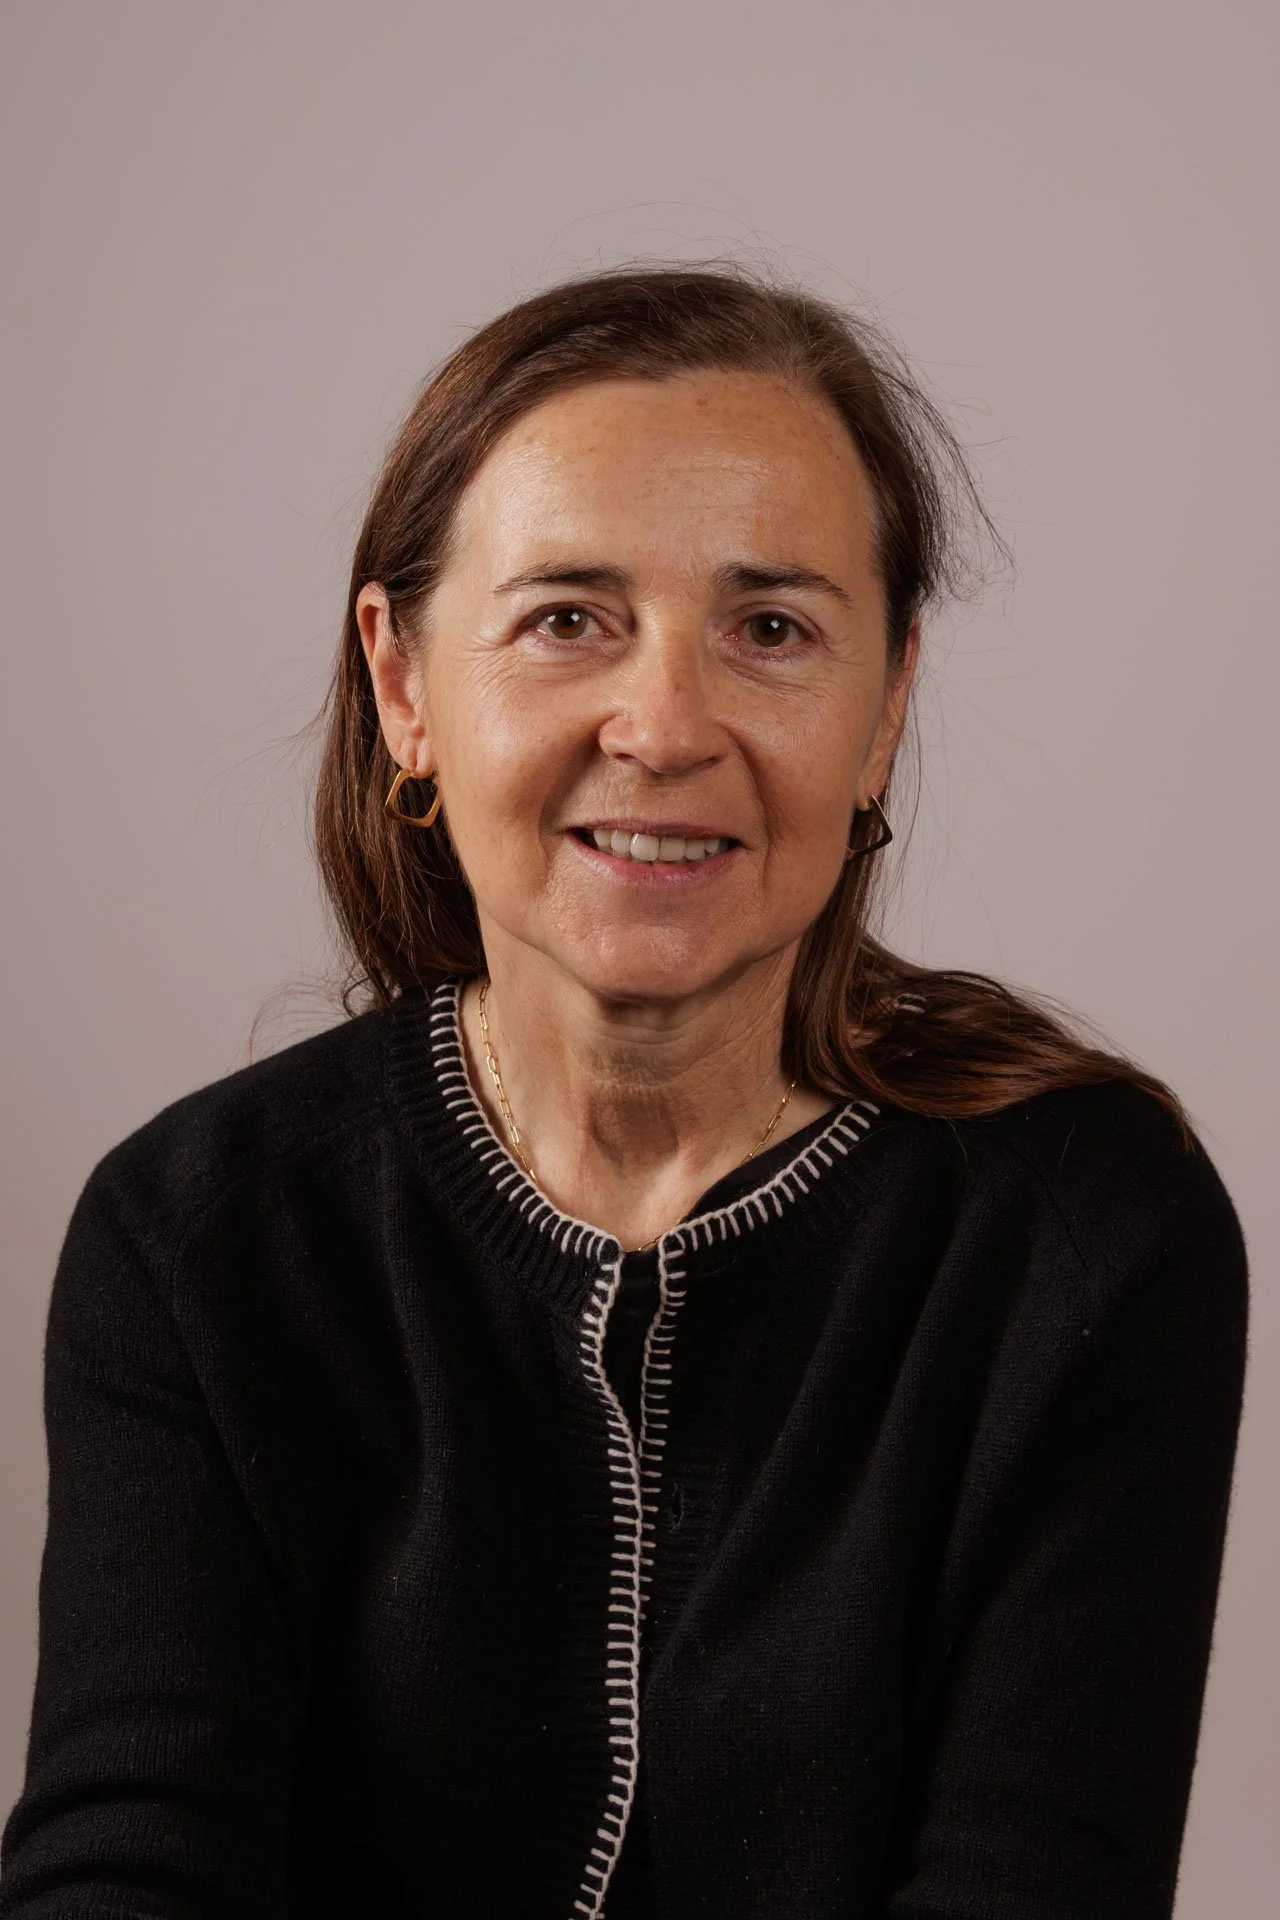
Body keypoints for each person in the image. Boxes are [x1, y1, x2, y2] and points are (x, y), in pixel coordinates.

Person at [0, 265, 1248, 1920]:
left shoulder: (1090, 1238)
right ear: (403, 686)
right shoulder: (195, 1237)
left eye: (773, 629)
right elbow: (126, 1872)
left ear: (886, 711)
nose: (663, 726)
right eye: (567, 618)